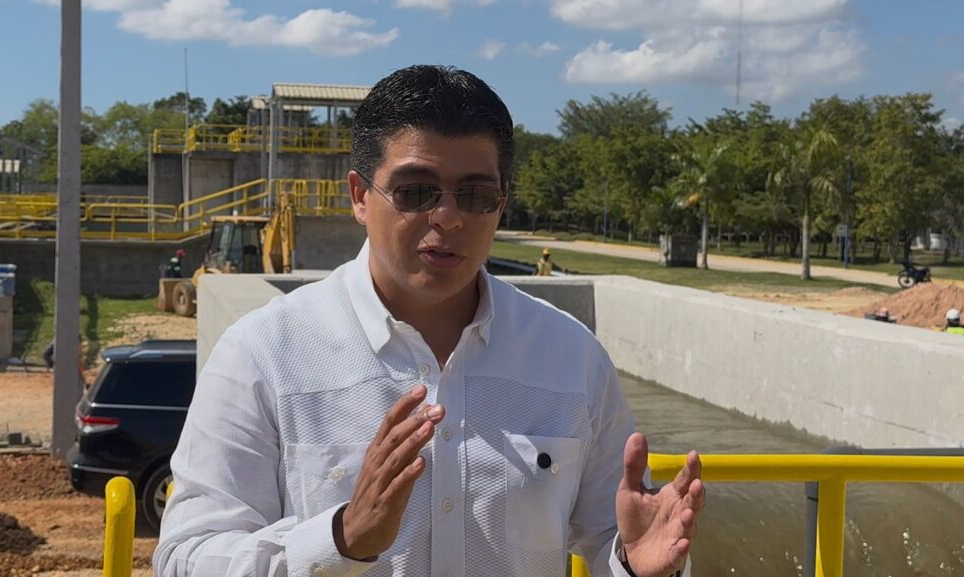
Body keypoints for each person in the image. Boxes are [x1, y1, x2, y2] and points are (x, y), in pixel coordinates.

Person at [154, 65, 703, 577]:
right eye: (415, 191)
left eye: (475, 195)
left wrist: (633, 562)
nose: (447, 216)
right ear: (359, 196)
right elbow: (186, 557)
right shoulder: (264, 354)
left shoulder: (572, 358)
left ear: (501, 204)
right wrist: (340, 538)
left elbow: (611, 538)